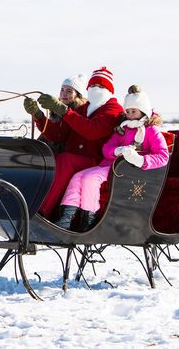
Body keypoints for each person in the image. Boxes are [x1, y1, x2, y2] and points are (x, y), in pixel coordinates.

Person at [56, 85, 169, 231]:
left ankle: (88, 221)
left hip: (129, 170)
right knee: (78, 177)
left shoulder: (151, 131)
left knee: (90, 179)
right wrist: (118, 150)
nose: (130, 115)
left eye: (133, 111)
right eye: (127, 111)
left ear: (143, 111)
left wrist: (140, 160)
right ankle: (66, 219)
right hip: (109, 166)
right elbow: (106, 148)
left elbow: (162, 156)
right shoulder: (123, 129)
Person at [23, 67, 124, 219]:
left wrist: (64, 111)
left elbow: (93, 131)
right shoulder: (85, 108)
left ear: (109, 90)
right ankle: (26, 200)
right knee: (51, 159)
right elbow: (58, 134)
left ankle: (41, 211)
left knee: (65, 160)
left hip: (96, 162)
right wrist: (38, 116)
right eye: (93, 86)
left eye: (101, 86)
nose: (96, 89)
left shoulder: (112, 109)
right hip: (75, 158)